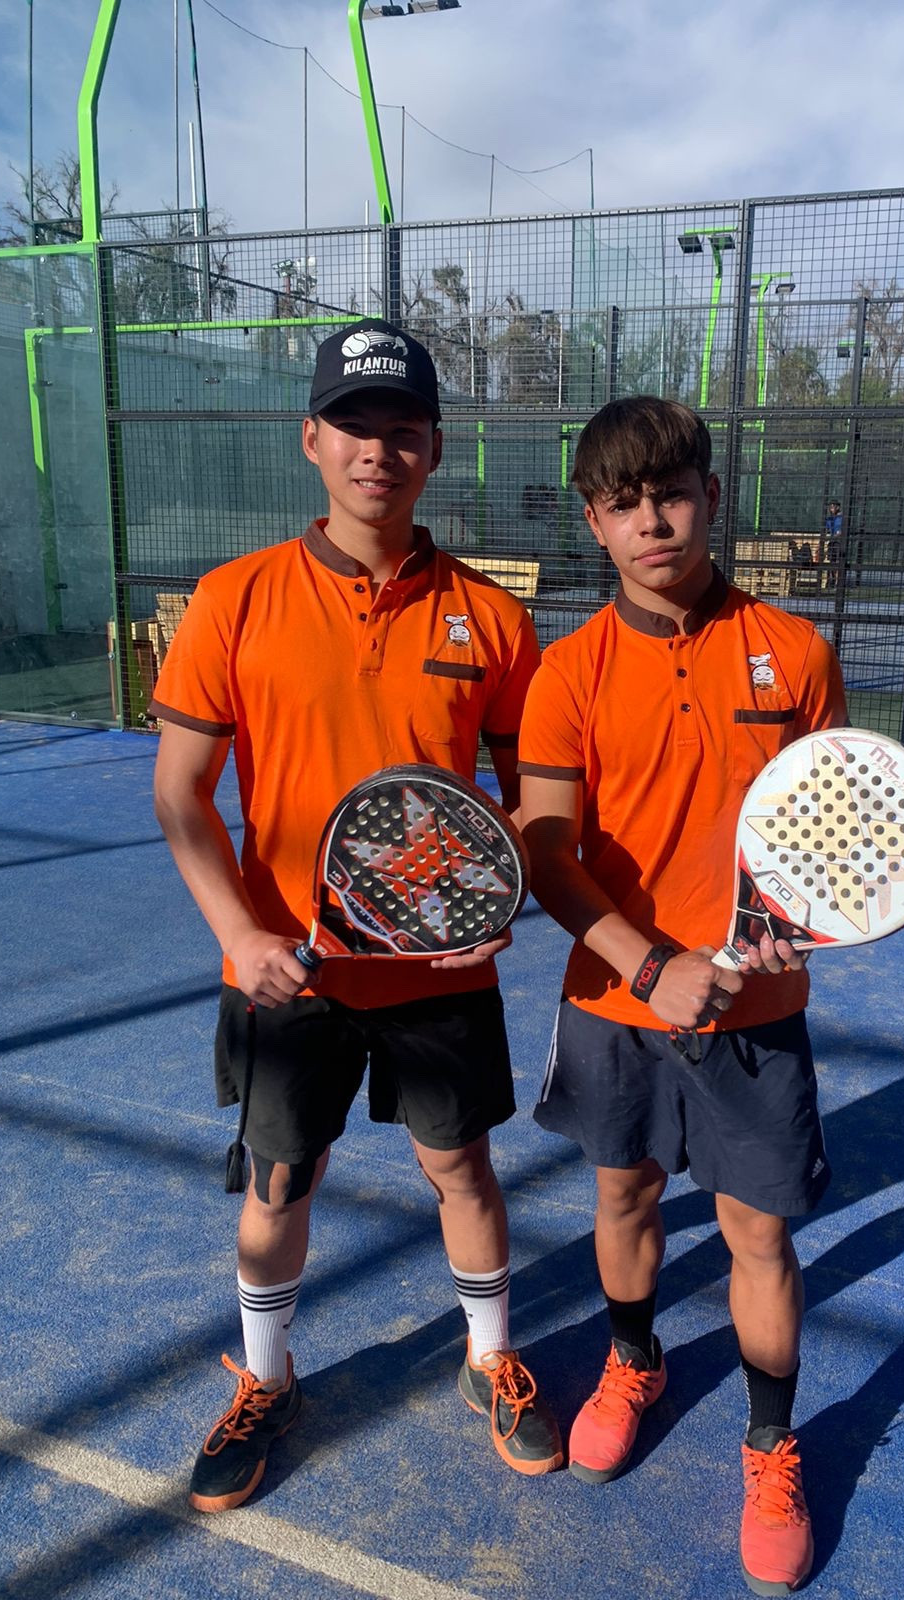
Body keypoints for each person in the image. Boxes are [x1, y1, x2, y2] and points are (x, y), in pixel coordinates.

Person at [150, 318, 562, 1514]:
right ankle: (267, 1376)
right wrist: (241, 937)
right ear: (312, 441)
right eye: (354, 427)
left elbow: (534, 801)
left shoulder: (491, 618)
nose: (378, 450)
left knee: (462, 1166)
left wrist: (505, 888)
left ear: (433, 448)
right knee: (280, 1181)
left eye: (403, 429)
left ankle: (489, 1358)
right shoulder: (234, 600)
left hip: (441, 969)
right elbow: (181, 795)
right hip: (287, 971)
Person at [517, 396, 847, 1594]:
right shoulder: (566, 674)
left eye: (670, 493)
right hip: (617, 1006)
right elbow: (550, 855)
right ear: (595, 523)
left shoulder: (795, 653)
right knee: (625, 1193)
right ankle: (635, 1359)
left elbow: (827, 831)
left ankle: (770, 1442)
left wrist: (775, 938)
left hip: (756, 1011)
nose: (652, 520)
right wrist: (654, 966)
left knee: (758, 1231)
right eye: (624, 503)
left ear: (710, 496)